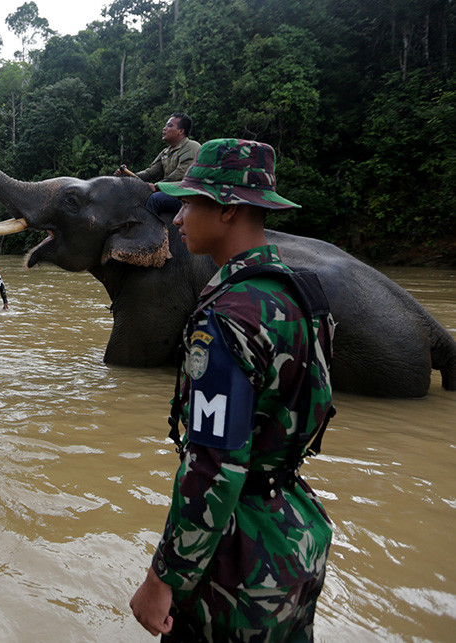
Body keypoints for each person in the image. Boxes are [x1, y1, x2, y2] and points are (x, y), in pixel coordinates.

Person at [129, 139, 336, 640]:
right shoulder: (302, 294)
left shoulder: (226, 317)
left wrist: (163, 578)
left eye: (189, 204)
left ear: (228, 210)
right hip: (297, 534)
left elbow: (214, 466)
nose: (177, 219)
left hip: (237, 562)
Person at [115, 113, 200, 220]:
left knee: (156, 199)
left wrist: (157, 186)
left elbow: (179, 174)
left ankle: (149, 234)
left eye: (169, 126)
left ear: (181, 131)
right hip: (170, 191)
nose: (164, 129)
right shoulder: (165, 152)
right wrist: (128, 176)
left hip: (185, 194)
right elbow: (150, 172)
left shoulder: (191, 146)